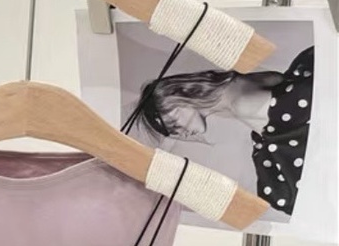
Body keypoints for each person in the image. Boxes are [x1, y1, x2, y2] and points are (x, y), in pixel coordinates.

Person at [134, 46, 314, 216]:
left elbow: (301, 114)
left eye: (173, 125)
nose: (181, 134)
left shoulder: (241, 104)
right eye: (173, 132)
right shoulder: (233, 85)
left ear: (177, 99)